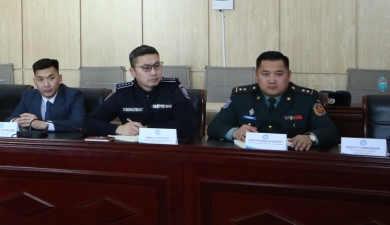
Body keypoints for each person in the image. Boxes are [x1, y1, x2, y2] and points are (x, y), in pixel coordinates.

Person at [207, 51, 338, 150]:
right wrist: (235, 132)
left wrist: (309, 138)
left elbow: (330, 131)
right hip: (251, 162)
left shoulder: (307, 98)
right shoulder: (241, 96)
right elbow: (215, 126)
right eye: (265, 74)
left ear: (289, 75)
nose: (272, 80)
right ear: (256, 75)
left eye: (279, 74)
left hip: (292, 163)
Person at [84, 45, 195, 139]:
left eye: (157, 66)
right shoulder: (123, 93)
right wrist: (119, 129)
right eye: (146, 68)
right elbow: (89, 123)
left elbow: (187, 125)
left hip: (169, 150)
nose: (154, 72)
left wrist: (147, 130)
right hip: (134, 151)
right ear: (133, 72)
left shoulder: (173, 88)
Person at [8, 58, 84, 131]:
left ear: (60, 79)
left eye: (51, 78)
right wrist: (16, 122)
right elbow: (9, 119)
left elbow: (78, 123)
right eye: (40, 80)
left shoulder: (73, 95)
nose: (46, 85)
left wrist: (43, 124)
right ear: (35, 82)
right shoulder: (28, 96)